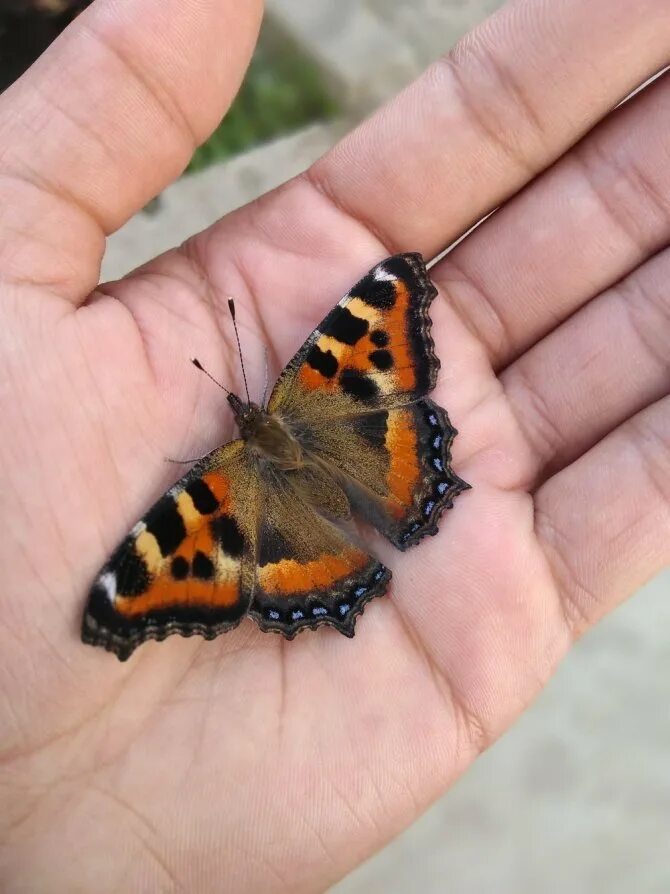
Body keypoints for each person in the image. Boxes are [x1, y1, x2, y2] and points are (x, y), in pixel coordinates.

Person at [0, 0, 668, 890]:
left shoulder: (208, 496)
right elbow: (379, 300)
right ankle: (395, 512)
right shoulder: (317, 377)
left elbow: (392, 289)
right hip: (367, 454)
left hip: (293, 530)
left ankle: (355, 554)